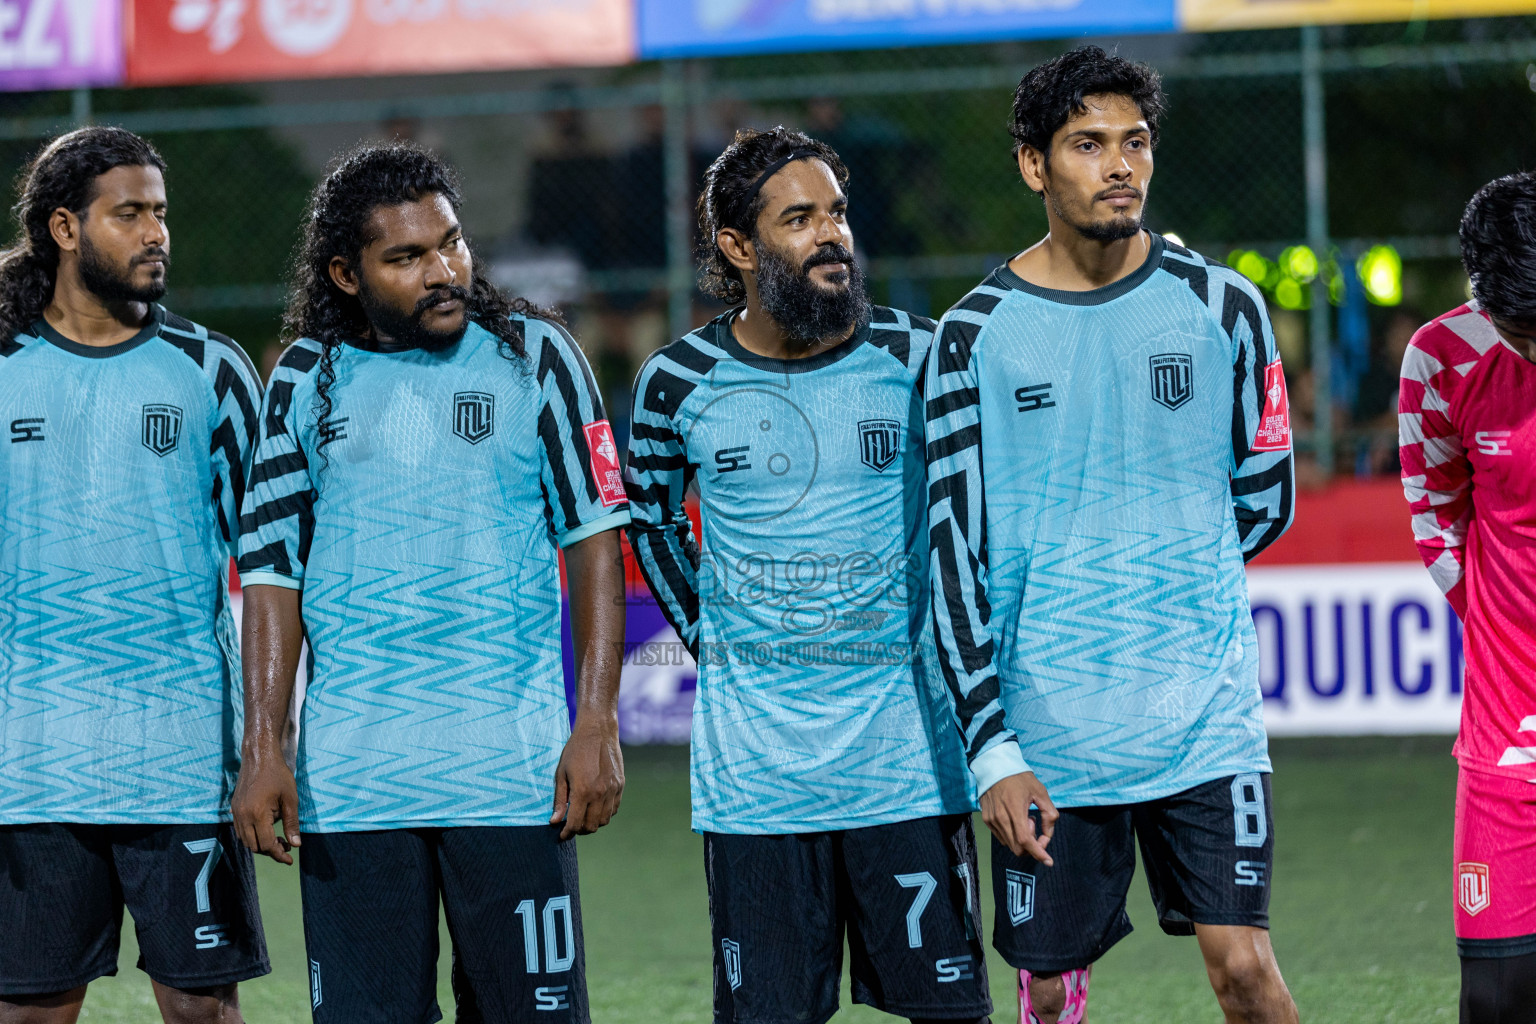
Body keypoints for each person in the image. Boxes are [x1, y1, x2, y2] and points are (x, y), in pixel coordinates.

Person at [923, 47, 1299, 1024]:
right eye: (1087, 144)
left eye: (1134, 142)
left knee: (1246, 970)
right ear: (1032, 165)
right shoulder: (973, 337)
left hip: (1204, 721)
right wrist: (991, 746)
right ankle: (1058, 980)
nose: (1119, 163)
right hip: (1050, 735)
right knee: (1044, 990)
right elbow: (951, 555)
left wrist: (1164, 584)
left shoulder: (1226, 309)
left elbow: (1264, 498)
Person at [230, 143, 628, 1024]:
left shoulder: (539, 356)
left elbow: (596, 537)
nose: (442, 270)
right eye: (406, 258)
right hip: (355, 785)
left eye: (450, 243)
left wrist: (597, 718)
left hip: (514, 780)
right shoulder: (302, 379)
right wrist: (265, 746)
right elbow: (270, 572)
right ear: (345, 272)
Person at [625, 126, 990, 1024]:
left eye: (837, 212)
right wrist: (711, 633)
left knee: (949, 1013)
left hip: (911, 768)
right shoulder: (676, 381)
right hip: (756, 786)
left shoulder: (921, 356)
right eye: (800, 218)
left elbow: (974, 528)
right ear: (741, 248)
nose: (832, 234)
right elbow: (651, 520)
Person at [0, 127, 268, 1022]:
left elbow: (269, 563)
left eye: (160, 213)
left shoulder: (210, 370)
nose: (156, 232)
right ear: (65, 228)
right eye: (130, 214)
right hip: (30, 760)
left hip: (180, 757)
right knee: (32, 1010)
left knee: (201, 1010)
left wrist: (267, 743)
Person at [1397, 171, 1536, 1024]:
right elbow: (1437, 516)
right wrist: (1506, 634)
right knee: (1497, 999)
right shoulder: (1440, 360)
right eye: (1524, 331)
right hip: (1506, 727)